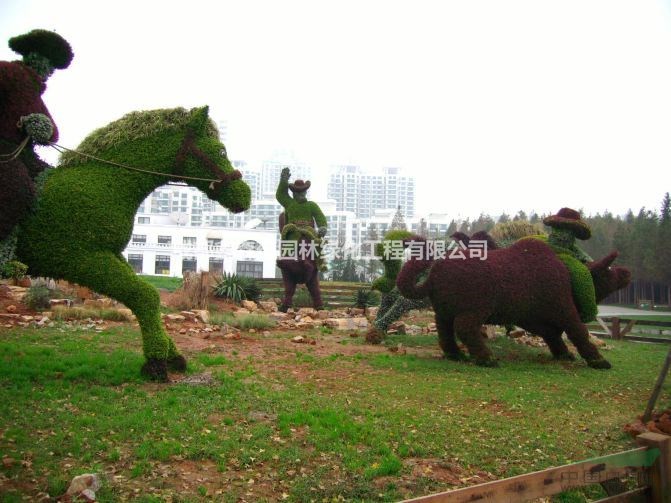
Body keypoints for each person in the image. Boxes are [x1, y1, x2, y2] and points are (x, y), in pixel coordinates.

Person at [0, 29, 74, 241]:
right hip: (4, 151)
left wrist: (42, 127)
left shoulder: (33, 92)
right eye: (49, 63)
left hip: (24, 156)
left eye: (53, 67)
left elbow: (53, 133)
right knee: (17, 190)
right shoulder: (7, 72)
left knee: (57, 185)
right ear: (34, 56)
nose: (50, 71)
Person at [541, 207, 597, 322]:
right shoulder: (575, 265)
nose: (559, 234)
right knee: (582, 273)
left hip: (563, 251)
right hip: (557, 251)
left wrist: (588, 260)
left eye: (568, 230)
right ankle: (588, 312)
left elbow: (576, 250)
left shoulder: (573, 249)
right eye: (556, 228)